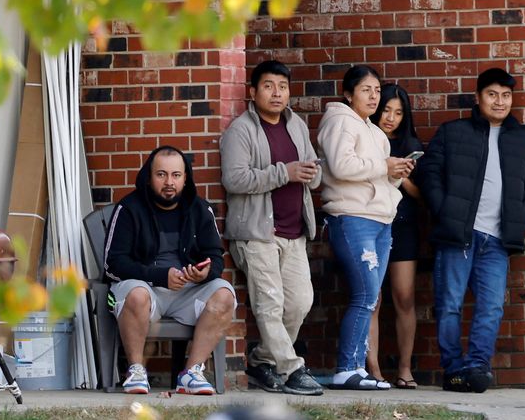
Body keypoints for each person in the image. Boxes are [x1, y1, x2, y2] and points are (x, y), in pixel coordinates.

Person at [419, 67, 525, 393]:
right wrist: (444, 210)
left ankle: (476, 367)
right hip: (458, 234)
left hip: (498, 239)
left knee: (491, 307)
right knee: (450, 304)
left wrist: (523, 218)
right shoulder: (453, 132)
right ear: (478, 97)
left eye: (506, 95)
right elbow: (429, 173)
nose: (500, 101)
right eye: (492, 94)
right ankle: (453, 370)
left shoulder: (521, 139)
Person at [220, 59, 324, 396]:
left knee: (299, 303)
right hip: (257, 233)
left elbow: (312, 170)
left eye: (282, 86)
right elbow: (235, 179)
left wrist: (312, 173)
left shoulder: (296, 125)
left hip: (294, 232)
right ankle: (291, 369)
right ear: (253, 92)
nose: (277, 93)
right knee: (269, 303)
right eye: (268, 86)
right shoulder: (241, 130)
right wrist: (285, 173)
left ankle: (262, 361)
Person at [104, 145, 236, 395]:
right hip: (145, 288)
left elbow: (216, 259)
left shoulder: (200, 209)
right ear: (149, 177)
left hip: (187, 290)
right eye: (161, 174)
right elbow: (113, 265)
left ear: (185, 178)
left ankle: (191, 373)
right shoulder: (129, 208)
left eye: (176, 175)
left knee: (225, 294)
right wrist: (159, 276)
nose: (169, 182)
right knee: (136, 294)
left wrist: (205, 274)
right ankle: (136, 370)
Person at [317, 65, 415, 391]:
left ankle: (357, 367)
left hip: (381, 220)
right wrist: (384, 165)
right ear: (348, 94)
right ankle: (347, 368)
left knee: (370, 297)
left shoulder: (374, 131)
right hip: (352, 216)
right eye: (365, 90)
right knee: (364, 295)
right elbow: (341, 166)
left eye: (376, 90)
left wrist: (396, 173)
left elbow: (377, 177)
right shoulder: (340, 121)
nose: (373, 97)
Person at [365, 84, 424, 389]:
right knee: (372, 299)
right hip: (370, 222)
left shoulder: (410, 144)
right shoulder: (365, 138)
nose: (391, 118)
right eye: (386, 110)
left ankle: (404, 369)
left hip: (403, 226)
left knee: (404, 296)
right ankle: (373, 369)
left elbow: (422, 194)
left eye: (398, 113)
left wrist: (400, 177)